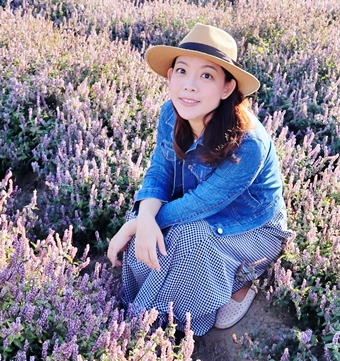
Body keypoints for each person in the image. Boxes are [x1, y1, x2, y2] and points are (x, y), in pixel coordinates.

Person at [107, 23, 293, 336]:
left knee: (187, 236)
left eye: (206, 75)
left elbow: (201, 205)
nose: (189, 86)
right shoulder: (171, 113)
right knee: (149, 218)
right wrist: (143, 217)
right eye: (181, 71)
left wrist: (135, 226)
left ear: (226, 88)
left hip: (251, 227)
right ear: (169, 78)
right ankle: (145, 306)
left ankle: (231, 285)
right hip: (199, 207)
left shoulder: (248, 143)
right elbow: (160, 171)